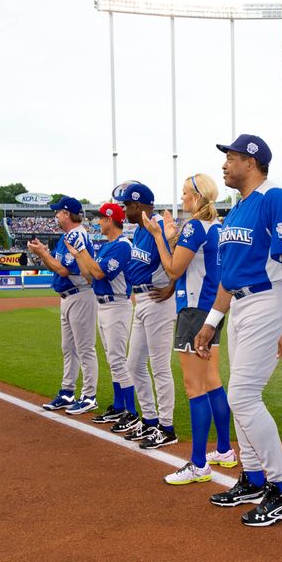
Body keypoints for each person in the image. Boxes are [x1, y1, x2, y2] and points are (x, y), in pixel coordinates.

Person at [194, 134, 282, 527]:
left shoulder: (274, 198)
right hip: (240, 304)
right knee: (239, 394)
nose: (225, 165)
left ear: (251, 161)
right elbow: (227, 276)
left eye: (231, 158)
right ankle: (254, 478)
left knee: (243, 396)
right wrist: (211, 324)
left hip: (266, 300)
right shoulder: (238, 208)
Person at [141, 173, 236, 485]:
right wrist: (171, 236)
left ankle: (198, 464)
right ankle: (223, 449)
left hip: (194, 311)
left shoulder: (195, 226)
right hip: (212, 310)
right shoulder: (216, 226)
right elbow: (190, 261)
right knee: (212, 381)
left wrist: (157, 234)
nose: (181, 199)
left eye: (185, 194)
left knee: (195, 386)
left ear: (197, 197)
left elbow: (173, 268)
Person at [110, 181, 178, 449]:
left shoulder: (159, 225)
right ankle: (149, 420)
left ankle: (166, 426)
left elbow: (178, 259)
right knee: (133, 364)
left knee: (160, 367)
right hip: (142, 299)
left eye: (127, 205)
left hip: (158, 299)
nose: (124, 210)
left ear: (138, 205)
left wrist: (172, 287)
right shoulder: (140, 230)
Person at [64, 202, 136, 428]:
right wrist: (77, 255)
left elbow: (99, 272)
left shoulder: (122, 245)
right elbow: (88, 276)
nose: (98, 222)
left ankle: (131, 412)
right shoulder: (107, 246)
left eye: (101, 218)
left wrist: (83, 252)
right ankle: (119, 406)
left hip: (117, 305)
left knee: (117, 360)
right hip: (104, 305)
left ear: (111, 220)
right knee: (112, 359)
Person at [26, 195, 99, 416]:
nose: (56, 215)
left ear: (67, 214)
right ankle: (68, 392)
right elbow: (58, 265)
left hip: (80, 295)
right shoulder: (68, 235)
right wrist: (44, 253)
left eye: (58, 211)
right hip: (68, 296)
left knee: (84, 348)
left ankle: (89, 396)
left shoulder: (76, 236)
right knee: (68, 348)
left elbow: (63, 269)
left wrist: (42, 254)